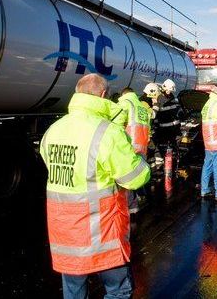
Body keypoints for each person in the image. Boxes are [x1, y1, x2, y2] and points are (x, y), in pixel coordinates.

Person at [39, 73, 150, 299]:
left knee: (74, 293)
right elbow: (135, 178)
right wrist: (139, 160)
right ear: (102, 95)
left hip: (66, 237)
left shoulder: (53, 131)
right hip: (102, 233)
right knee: (119, 291)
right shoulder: (108, 132)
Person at [154, 79, 183, 160]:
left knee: (173, 150)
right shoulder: (160, 98)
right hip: (163, 129)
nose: (169, 92)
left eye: (170, 91)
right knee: (162, 148)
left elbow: (178, 110)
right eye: (168, 90)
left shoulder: (173, 98)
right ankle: (160, 164)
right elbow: (159, 114)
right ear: (164, 88)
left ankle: (171, 162)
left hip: (173, 129)